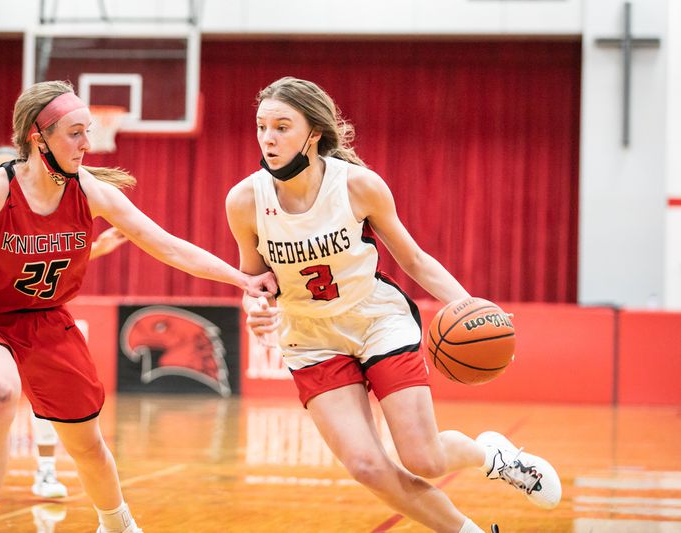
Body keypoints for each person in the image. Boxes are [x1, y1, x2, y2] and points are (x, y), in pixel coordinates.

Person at [0, 80, 277, 533]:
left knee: (87, 444)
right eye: (75, 132)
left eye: (88, 131)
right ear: (38, 136)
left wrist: (242, 277)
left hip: (48, 323)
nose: (88, 143)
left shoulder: (89, 192)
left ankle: (118, 524)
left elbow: (168, 247)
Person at [226, 76, 561, 533]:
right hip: (309, 338)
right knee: (366, 466)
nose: (268, 137)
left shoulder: (358, 186)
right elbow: (256, 280)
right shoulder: (245, 200)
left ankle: (493, 456)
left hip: (376, 320)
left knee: (424, 458)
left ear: (314, 134)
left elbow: (415, 260)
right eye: (262, 125)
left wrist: (474, 307)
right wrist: (256, 308)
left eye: (282, 126)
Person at [0, 146, 128, 502]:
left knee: (50, 403)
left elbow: (43, 257)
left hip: (39, 314)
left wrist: (96, 248)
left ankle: (46, 470)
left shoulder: (41, 205)